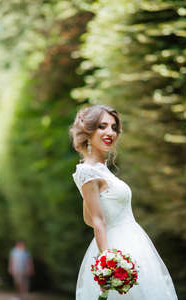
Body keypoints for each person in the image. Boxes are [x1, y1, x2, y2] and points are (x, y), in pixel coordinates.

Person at [69, 105, 178, 299]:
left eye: (113, 127)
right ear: (89, 130)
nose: (110, 132)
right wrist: (108, 264)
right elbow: (96, 221)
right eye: (102, 126)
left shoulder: (100, 169)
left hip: (134, 243)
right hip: (116, 248)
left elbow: (89, 218)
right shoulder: (88, 171)